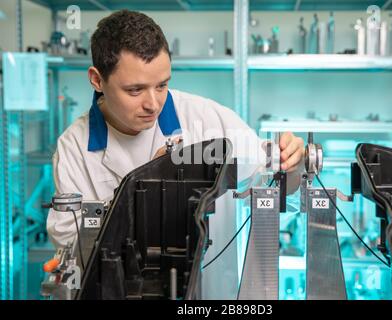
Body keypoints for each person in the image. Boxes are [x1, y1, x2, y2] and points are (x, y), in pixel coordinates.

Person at [46, 11, 304, 296]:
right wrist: (150, 181)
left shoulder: (206, 118)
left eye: (162, 85)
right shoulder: (74, 147)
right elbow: (73, 250)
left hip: (208, 290)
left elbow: (275, 187)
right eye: (135, 90)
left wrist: (292, 165)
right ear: (97, 80)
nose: (153, 104)